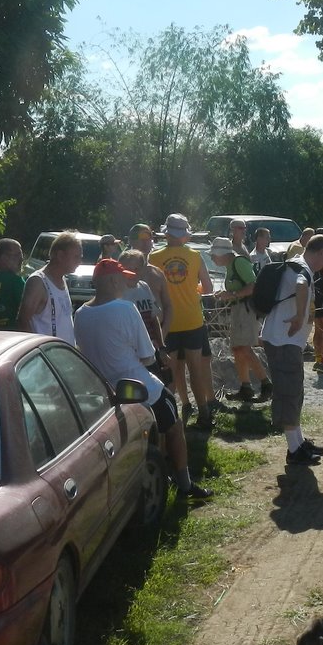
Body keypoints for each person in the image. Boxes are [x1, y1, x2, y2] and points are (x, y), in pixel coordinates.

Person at [73, 258, 212, 503]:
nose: (127, 283)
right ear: (113, 281)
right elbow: (148, 356)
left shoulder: (80, 314)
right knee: (174, 425)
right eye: (123, 279)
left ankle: (157, 476)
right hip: (137, 387)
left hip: (103, 391)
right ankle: (184, 483)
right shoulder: (126, 309)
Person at [263, 235, 323, 464]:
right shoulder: (302, 269)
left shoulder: (297, 264)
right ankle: (294, 451)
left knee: (294, 391)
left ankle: (299, 442)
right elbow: (301, 285)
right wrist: (299, 316)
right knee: (289, 392)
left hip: (284, 340)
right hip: (283, 341)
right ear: (321, 253)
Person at [148, 213, 217, 429]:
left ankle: (181, 408)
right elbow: (208, 288)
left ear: (166, 234)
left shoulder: (153, 257)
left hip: (167, 323)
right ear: (184, 235)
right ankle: (204, 413)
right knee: (195, 368)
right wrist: (193, 289)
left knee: (173, 369)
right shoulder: (195, 256)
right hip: (192, 319)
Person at [210, 236, 271, 402]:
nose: (212, 258)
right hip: (238, 309)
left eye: (213, 255)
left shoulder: (239, 263)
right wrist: (227, 295)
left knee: (244, 348)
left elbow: (253, 286)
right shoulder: (231, 265)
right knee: (237, 348)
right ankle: (245, 387)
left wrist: (232, 295)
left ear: (222, 254)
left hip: (246, 310)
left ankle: (266, 385)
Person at [18, 229, 81, 343]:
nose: (79, 261)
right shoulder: (38, 282)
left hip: (61, 352)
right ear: (60, 255)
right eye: (76, 257)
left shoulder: (62, 279)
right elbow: (23, 321)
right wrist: (38, 351)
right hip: (47, 353)